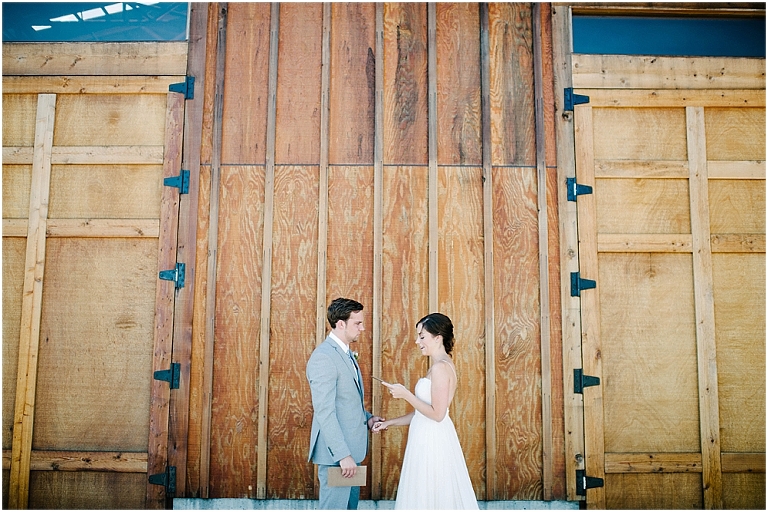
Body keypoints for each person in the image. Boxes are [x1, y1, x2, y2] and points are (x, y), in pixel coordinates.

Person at [372, 313, 479, 509]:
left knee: (430, 492)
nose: (417, 341)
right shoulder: (441, 366)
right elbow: (423, 412)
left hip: (433, 441)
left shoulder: (440, 368)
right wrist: (389, 422)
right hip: (425, 437)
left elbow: (437, 414)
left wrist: (405, 394)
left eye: (422, 336)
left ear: (438, 338)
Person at [307, 298, 384, 510]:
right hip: (338, 456)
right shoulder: (324, 357)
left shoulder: (345, 353)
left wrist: (368, 419)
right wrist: (343, 455)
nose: (362, 328)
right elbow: (325, 412)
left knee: (349, 508)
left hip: (351, 453)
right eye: (357, 323)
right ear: (341, 324)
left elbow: (346, 402)